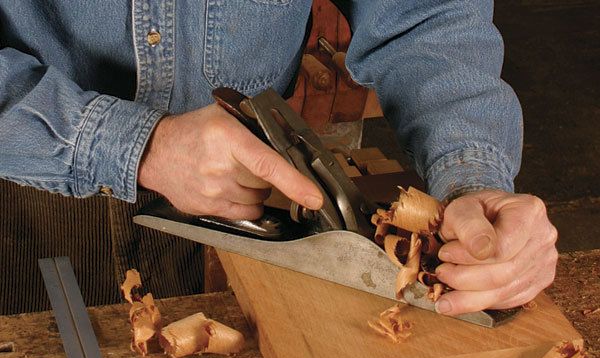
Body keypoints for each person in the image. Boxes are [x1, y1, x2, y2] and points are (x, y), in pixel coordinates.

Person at [0, 1, 557, 316]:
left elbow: (425, 18)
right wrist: (136, 144)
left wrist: (471, 172)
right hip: (34, 193)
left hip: (253, 204)